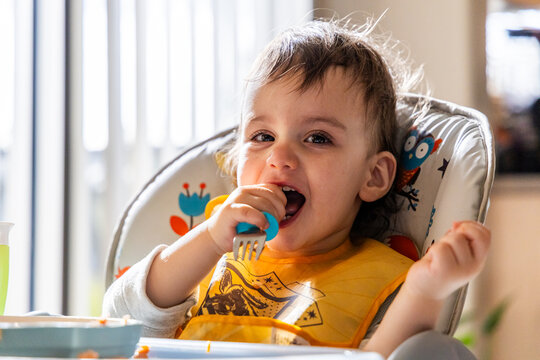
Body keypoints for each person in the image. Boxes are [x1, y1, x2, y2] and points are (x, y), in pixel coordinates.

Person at [102, 19, 490, 358]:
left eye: (318, 138)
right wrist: (209, 238)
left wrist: (426, 289)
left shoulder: (379, 277)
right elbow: (122, 319)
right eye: (262, 135)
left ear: (373, 177)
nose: (279, 156)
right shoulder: (208, 255)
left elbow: (383, 358)